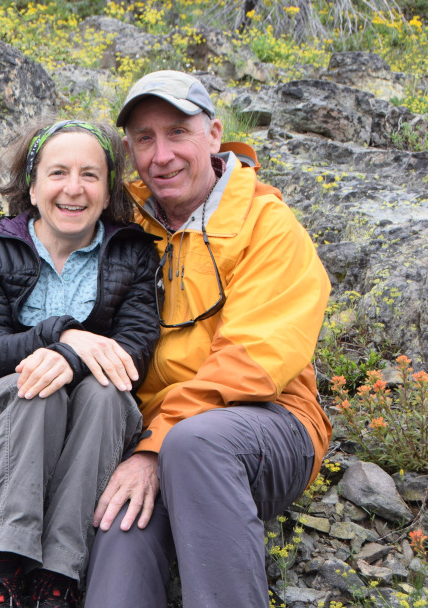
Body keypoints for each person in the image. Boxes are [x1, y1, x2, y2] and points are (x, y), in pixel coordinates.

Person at [79, 71, 333, 608]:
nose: (162, 154)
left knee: (198, 445)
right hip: (149, 440)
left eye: (177, 132)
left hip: (265, 424)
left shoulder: (269, 226)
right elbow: (37, 247)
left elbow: (253, 363)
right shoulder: (119, 216)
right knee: (120, 526)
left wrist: (155, 445)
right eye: (144, 138)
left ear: (214, 135)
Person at [0, 117, 160, 608]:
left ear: (108, 192)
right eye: (58, 173)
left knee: (107, 391)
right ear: (33, 186)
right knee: (39, 390)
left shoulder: (133, 253)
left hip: (90, 429)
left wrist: (69, 359)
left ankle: (57, 580)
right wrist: (63, 337)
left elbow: (135, 354)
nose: (73, 189)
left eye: (90, 175)